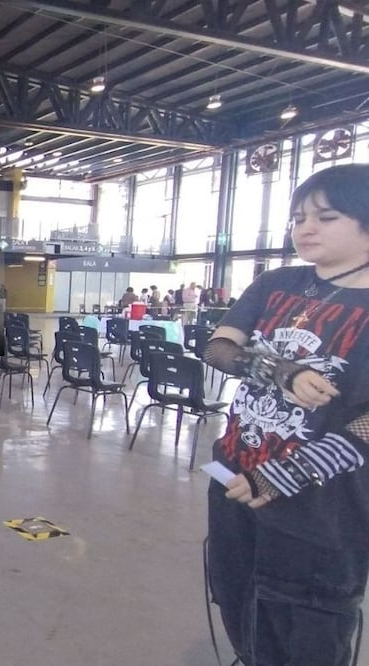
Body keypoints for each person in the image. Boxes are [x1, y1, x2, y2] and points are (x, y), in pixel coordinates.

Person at [203, 164, 369, 666]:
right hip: (234, 477)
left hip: (320, 508)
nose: (305, 228)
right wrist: (280, 371)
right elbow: (218, 347)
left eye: (327, 216)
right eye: (298, 218)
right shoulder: (278, 282)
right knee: (238, 601)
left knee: (307, 627)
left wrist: (282, 476)